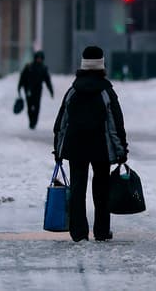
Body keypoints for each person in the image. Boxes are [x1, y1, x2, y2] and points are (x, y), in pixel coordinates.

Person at [53, 46, 128, 242]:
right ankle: (102, 231)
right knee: (102, 189)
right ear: (102, 64)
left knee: (78, 189)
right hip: (100, 148)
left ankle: (79, 232)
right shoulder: (106, 92)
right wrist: (121, 150)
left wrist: (58, 149)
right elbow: (116, 123)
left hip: (76, 147)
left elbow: (61, 122)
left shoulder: (73, 91)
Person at [18, 51, 54, 129]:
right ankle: (31, 121)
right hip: (28, 89)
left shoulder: (43, 68)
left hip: (38, 91)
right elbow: (22, 78)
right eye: (38, 58)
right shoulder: (29, 66)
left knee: (37, 107)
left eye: (40, 58)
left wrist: (51, 91)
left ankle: (34, 122)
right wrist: (19, 87)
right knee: (30, 106)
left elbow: (47, 80)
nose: (39, 60)